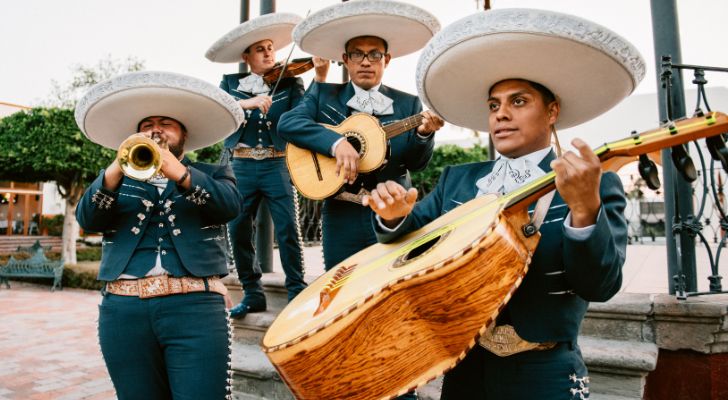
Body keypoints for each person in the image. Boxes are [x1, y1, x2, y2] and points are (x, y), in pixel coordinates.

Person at [364, 8, 646, 399]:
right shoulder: (457, 179)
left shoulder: (594, 183)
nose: (502, 115)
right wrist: (395, 219)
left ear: (551, 111)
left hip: (546, 371)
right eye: (494, 105)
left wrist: (584, 210)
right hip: (465, 368)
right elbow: (406, 248)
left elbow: (599, 285)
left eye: (519, 101)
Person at [75, 71, 245, 400]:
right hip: (123, 311)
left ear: (183, 134)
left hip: (194, 307)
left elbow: (229, 208)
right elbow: (88, 218)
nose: (155, 129)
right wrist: (114, 170)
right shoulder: (115, 179)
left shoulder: (212, 173)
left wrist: (179, 172)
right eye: (147, 124)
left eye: (166, 123)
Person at [278, 0, 445, 271]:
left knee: (394, 282)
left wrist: (424, 134)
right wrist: (336, 143)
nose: (366, 61)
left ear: (386, 60)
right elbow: (288, 123)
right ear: (345, 60)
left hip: (392, 211)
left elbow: (416, 163)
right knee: (341, 284)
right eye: (357, 54)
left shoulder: (409, 104)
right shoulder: (324, 94)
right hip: (341, 214)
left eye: (375, 54)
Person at [206, 13, 330, 318]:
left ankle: (296, 290)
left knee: (289, 228)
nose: (268, 53)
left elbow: (306, 113)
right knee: (237, 230)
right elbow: (218, 111)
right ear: (246, 56)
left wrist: (321, 77)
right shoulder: (231, 84)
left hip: (277, 165)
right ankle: (252, 293)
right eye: (260, 49)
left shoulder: (290, 79)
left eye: (271, 48)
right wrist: (247, 103)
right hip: (242, 167)